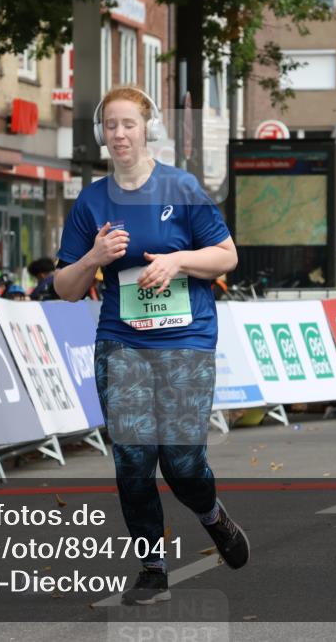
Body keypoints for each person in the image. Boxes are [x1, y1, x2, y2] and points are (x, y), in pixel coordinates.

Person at [54, 85, 248, 606]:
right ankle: (153, 565)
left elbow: (227, 256)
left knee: (182, 463)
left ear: (147, 129)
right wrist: (93, 257)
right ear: (102, 134)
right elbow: (65, 289)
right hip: (122, 344)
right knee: (134, 459)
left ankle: (212, 516)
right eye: (110, 126)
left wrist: (179, 261)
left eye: (128, 125)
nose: (119, 134)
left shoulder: (180, 188)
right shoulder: (93, 201)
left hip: (186, 339)